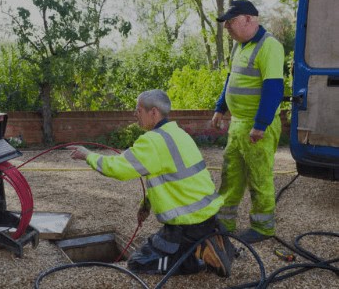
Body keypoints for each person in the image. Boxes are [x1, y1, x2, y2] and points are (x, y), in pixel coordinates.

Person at [68, 89, 234, 277]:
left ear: (153, 112)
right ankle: (205, 242)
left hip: (187, 225)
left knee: (138, 262)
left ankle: (202, 248)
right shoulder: (178, 134)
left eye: (138, 110)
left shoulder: (154, 141)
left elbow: (118, 168)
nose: (135, 115)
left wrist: (87, 155)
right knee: (163, 252)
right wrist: (146, 205)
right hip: (206, 216)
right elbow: (171, 180)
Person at [212, 0, 285, 243]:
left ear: (248, 19)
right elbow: (231, 80)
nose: (227, 28)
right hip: (238, 124)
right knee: (231, 175)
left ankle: (263, 228)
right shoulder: (238, 47)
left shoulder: (270, 46)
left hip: (257, 127)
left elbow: (273, 89)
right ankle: (224, 223)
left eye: (230, 22)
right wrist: (220, 108)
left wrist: (261, 125)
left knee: (259, 177)